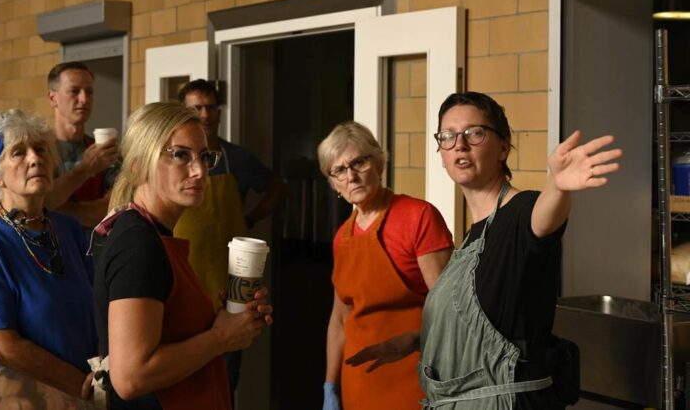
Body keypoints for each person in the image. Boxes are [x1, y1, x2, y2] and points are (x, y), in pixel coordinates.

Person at [346, 92, 622, 409]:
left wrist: (556, 186)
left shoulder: (521, 212)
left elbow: (544, 219)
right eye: (448, 136)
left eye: (474, 133)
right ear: (441, 151)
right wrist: (417, 341)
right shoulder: (471, 238)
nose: (459, 145)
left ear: (503, 147)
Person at [93, 101, 273, 410]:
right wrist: (221, 338)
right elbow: (131, 376)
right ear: (139, 164)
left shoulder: (156, 235)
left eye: (205, 156)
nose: (199, 170)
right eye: (180, 155)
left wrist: (228, 319)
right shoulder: (139, 244)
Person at [0, 109, 97, 400]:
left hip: (91, 387)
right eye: (18, 152)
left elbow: (97, 306)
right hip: (32, 396)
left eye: (41, 149)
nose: (36, 158)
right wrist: (77, 386)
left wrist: (102, 373)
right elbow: (1, 343)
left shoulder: (68, 228)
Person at [316, 121, 454, 410]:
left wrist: (417, 342)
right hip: (358, 385)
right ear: (333, 183)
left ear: (378, 163)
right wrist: (330, 385)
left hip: (416, 378)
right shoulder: (343, 236)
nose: (351, 176)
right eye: (339, 170)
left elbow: (451, 312)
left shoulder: (419, 217)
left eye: (359, 163)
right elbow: (339, 320)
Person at [172, 79, 285, 399]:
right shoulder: (171, 163)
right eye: (196, 108)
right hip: (186, 284)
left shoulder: (237, 158)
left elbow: (278, 187)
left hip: (229, 290)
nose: (205, 114)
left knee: (223, 382)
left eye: (210, 107)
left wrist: (249, 219)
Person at [45, 62, 119, 229]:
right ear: (52, 98)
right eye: (74, 91)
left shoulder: (103, 150)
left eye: (89, 92)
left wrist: (56, 210)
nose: (84, 99)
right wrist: (85, 169)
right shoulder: (38, 150)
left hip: (93, 251)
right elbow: (41, 203)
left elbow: (112, 210)